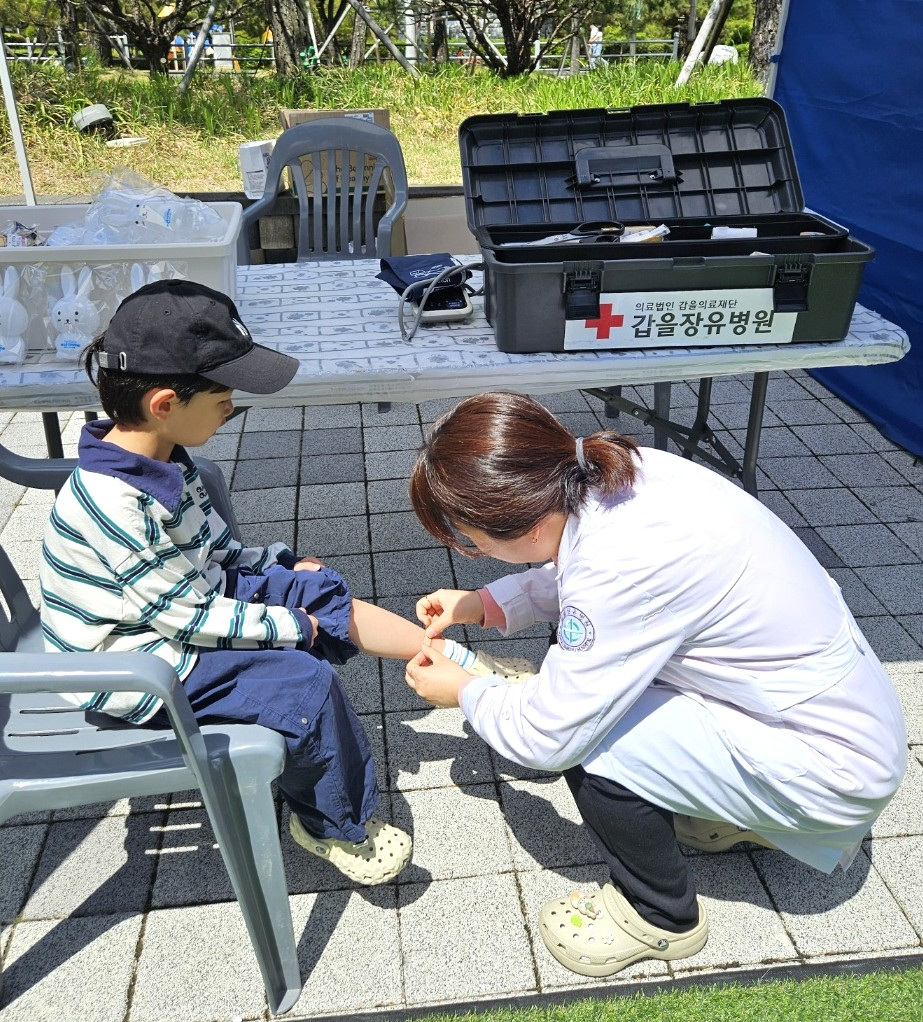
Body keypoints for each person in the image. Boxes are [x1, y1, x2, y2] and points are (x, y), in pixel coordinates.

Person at [39, 281, 527, 887]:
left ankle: (454, 658)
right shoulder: (115, 503)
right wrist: (290, 628)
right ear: (165, 403)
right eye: (223, 395)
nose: (231, 405)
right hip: (135, 664)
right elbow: (185, 619)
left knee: (314, 589)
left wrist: (280, 566)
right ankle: (331, 825)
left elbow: (214, 553)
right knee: (305, 683)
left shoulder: (162, 458)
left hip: (179, 612)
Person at [404, 391, 907, 976]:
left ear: (530, 520)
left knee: (590, 739)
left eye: (471, 541)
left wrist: (465, 691)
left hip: (832, 772)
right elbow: (592, 577)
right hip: (837, 717)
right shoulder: (618, 469)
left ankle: (660, 917)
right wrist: (485, 603)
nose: (473, 553)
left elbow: (549, 734)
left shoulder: (621, 562)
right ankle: (736, 810)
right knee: (577, 673)